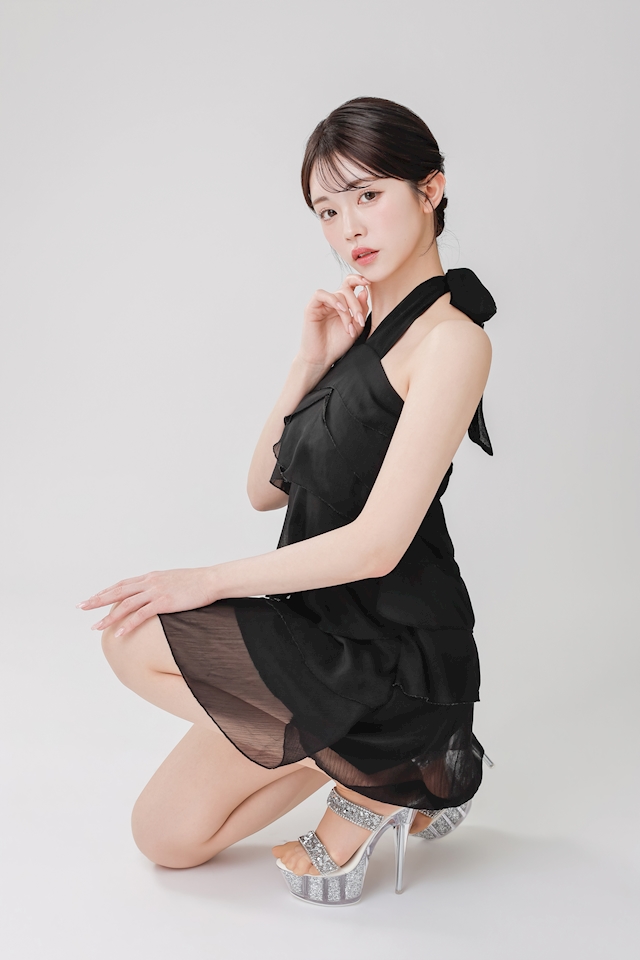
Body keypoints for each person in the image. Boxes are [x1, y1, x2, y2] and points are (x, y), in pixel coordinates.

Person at [78, 96, 496, 906]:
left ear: (431, 189)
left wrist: (205, 580)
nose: (349, 227)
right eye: (327, 210)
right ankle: (388, 764)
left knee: (138, 652)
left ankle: (391, 758)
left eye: (368, 195)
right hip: (320, 628)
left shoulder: (453, 341)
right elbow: (263, 490)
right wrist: (310, 361)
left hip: (389, 648)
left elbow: (378, 544)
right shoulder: (361, 333)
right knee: (163, 830)